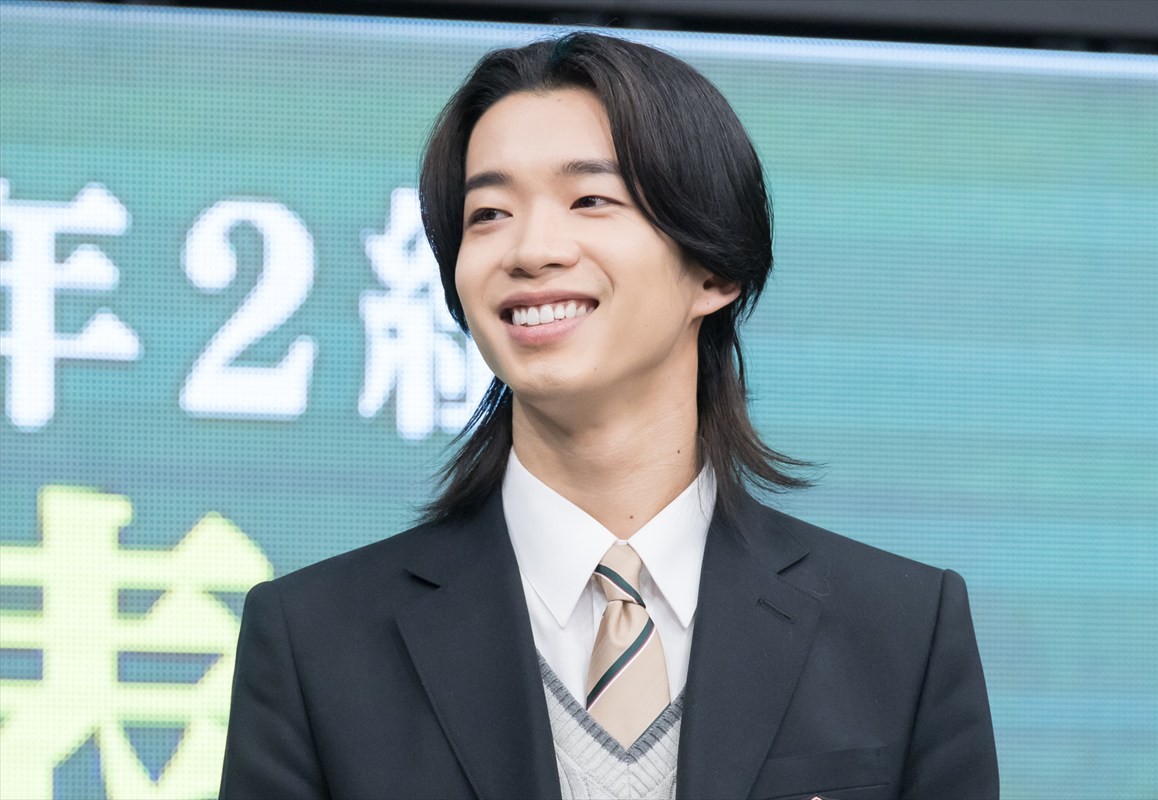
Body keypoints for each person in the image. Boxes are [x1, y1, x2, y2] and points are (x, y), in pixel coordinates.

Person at [219, 31, 998, 800]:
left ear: (714, 267)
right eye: (488, 214)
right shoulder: (315, 640)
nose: (531, 250)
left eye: (590, 200)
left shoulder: (901, 631)